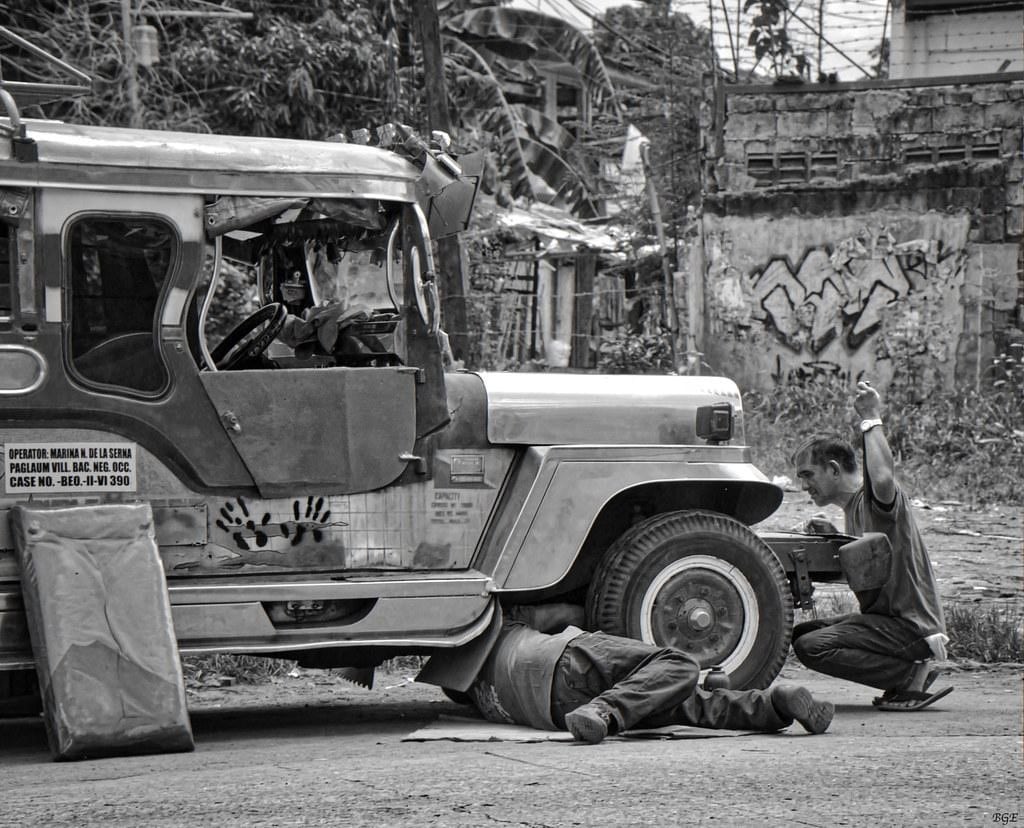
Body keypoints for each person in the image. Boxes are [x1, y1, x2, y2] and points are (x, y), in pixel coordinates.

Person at [789, 379, 952, 711]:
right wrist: (835, 536)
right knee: (802, 633)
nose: (803, 485)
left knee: (813, 647)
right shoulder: (853, 511)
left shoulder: (876, 502)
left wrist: (870, 417)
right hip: (889, 623)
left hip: (910, 626)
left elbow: (882, 478)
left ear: (833, 470)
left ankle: (908, 676)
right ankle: (906, 672)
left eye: (808, 475)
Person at [466, 603, 834, 744]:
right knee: (680, 666)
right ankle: (606, 711)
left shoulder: (472, 687)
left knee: (678, 701)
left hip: (554, 709)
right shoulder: (507, 622)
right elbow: (567, 613)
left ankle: (773, 708)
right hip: (569, 662)